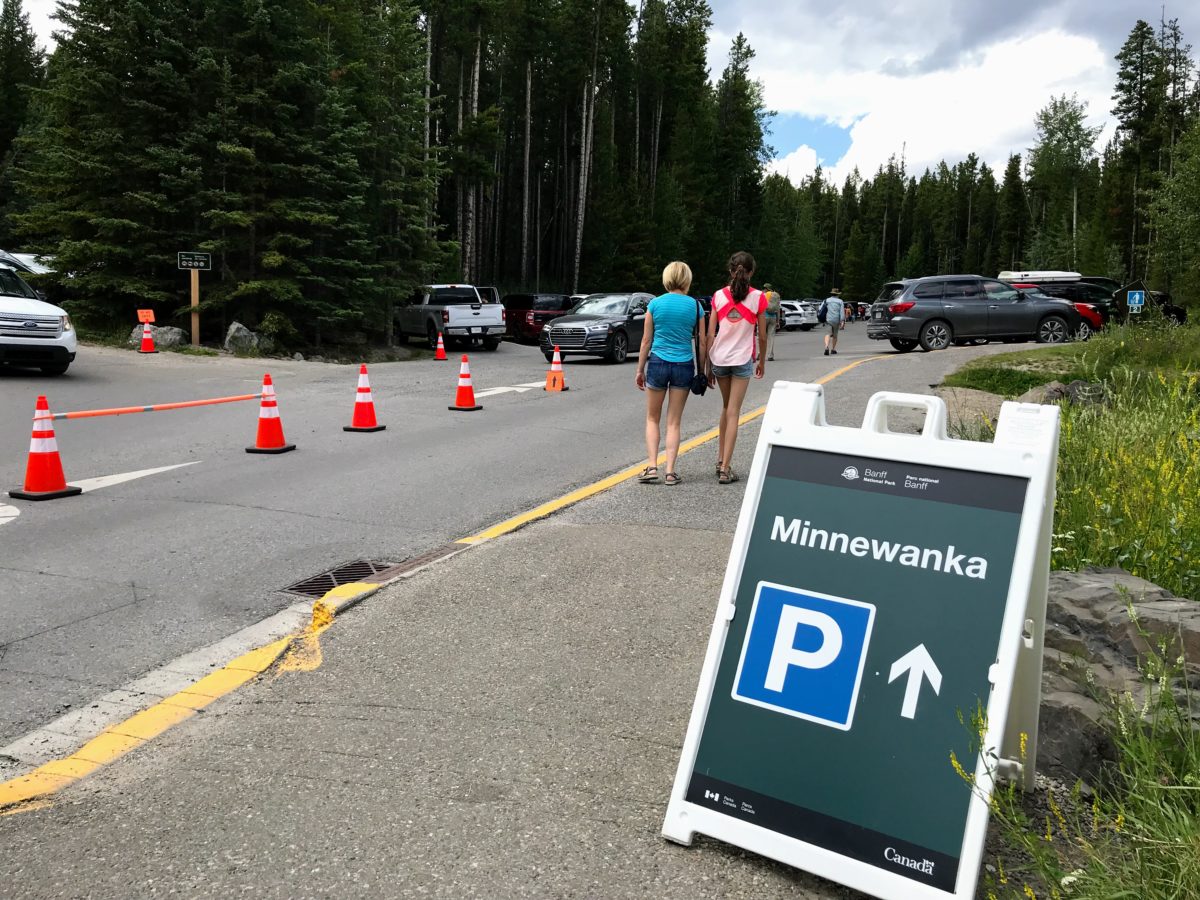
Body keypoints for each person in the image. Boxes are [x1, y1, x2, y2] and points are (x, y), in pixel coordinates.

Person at [635, 261, 707, 486]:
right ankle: (670, 471)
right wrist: (703, 370)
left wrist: (639, 369)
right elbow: (702, 343)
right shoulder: (696, 307)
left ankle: (652, 466)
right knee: (674, 422)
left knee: (652, 418)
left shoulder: (655, 304)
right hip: (684, 365)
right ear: (687, 279)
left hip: (657, 362)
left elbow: (646, 340)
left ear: (667, 278)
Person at [706, 251, 767, 484]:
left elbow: (711, 334)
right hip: (742, 360)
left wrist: (707, 365)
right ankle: (726, 468)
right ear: (751, 272)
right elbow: (761, 335)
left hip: (719, 359)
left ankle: (720, 458)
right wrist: (761, 360)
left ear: (730, 271)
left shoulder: (718, 296)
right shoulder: (758, 298)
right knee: (734, 411)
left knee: (725, 408)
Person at [821, 288, 846, 356]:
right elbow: (842, 312)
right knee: (835, 335)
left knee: (827, 334)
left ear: (831, 293)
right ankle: (833, 349)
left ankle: (826, 347)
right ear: (837, 294)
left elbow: (821, 309)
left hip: (828, 319)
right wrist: (842, 321)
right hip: (836, 320)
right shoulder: (840, 301)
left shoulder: (826, 300)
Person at [762, 282, 781, 361]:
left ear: (766, 289)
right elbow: (778, 309)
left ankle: (760, 353)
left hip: (764, 317)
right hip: (773, 317)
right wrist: (778, 321)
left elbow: (760, 307)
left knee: (761, 335)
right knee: (771, 337)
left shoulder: (763, 295)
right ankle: (770, 355)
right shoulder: (775, 295)